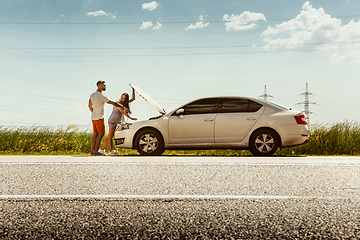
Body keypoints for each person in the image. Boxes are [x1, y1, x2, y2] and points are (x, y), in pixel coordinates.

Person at [88, 80, 133, 156]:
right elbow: (113, 103)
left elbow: (89, 105)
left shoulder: (92, 95)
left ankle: (93, 151)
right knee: (101, 134)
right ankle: (96, 152)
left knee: (95, 134)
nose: (105, 87)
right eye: (104, 85)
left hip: (93, 117)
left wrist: (93, 112)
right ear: (99, 86)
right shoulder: (102, 96)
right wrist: (123, 107)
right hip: (99, 117)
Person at [99, 87, 137, 156]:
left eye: (123, 98)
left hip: (117, 120)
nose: (121, 99)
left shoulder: (124, 103)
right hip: (113, 120)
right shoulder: (118, 103)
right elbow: (122, 111)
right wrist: (130, 118)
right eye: (121, 97)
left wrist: (133, 91)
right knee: (110, 136)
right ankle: (111, 151)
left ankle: (101, 149)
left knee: (110, 136)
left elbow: (133, 99)